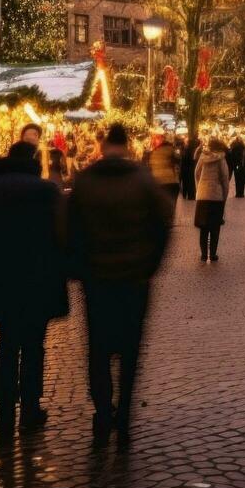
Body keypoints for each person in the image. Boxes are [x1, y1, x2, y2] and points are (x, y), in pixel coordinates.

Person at [64, 124, 173, 448]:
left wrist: (79, 269)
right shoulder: (143, 181)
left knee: (98, 349)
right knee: (129, 350)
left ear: (102, 145)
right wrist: (150, 265)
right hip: (134, 280)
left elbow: (70, 230)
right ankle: (123, 414)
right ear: (126, 146)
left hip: (97, 280)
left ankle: (102, 412)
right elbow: (163, 227)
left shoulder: (85, 181)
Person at [0, 140, 68, 434]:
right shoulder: (47, 191)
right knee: (34, 345)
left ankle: (4, 407)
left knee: (7, 341)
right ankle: (31, 408)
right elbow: (63, 235)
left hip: (4, 276)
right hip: (39, 277)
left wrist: (0, 248)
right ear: (35, 161)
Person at [194, 138, 231, 262]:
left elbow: (196, 173)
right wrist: (224, 195)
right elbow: (225, 178)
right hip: (216, 195)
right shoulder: (221, 159)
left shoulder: (203, 157)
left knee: (203, 227)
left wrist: (199, 187)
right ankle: (213, 254)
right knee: (215, 227)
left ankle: (204, 254)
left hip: (202, 195)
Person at [147, 133, 180, 202]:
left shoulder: (153, 153)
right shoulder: (170, 149)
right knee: (170, 207)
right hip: (171, 182)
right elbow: (178, 160)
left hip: (159, 184)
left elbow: (149, 168)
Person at [227, 133, 245, 198]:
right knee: (242, 179)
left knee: (237, 179)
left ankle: (238, 193)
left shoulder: (234, 147)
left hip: (236, 165)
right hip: (242, 165)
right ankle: (241, 193)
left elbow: (232, 157)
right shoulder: (243, 147)